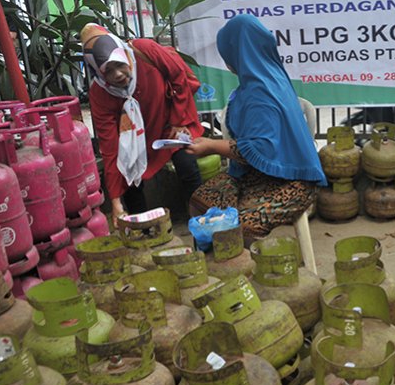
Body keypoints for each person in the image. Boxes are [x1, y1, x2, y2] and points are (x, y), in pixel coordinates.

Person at [186, 15, 326, 242]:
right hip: (259, 172)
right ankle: (224, 257)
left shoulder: (261, 93)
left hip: (292, 179)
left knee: (240, 227)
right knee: (202, 203)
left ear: (238, 52)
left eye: (228, 54)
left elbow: (261, 148)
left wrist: (212, 146)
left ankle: (251, 269)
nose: (226, 61)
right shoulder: (265, 78)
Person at [81, 23, 204, 222]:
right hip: (137, 138)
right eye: (108, 71)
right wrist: (115, 202)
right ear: (99, 72)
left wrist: (178, 121)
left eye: (120, 64)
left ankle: (203, 221)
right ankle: (144, 230)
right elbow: (110, 147)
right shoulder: (100, 93)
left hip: (171, 122)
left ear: (125, 54)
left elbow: (178, 77)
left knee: (187, 165)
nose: (118, 75)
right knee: (129, 178)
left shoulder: (144, 49)